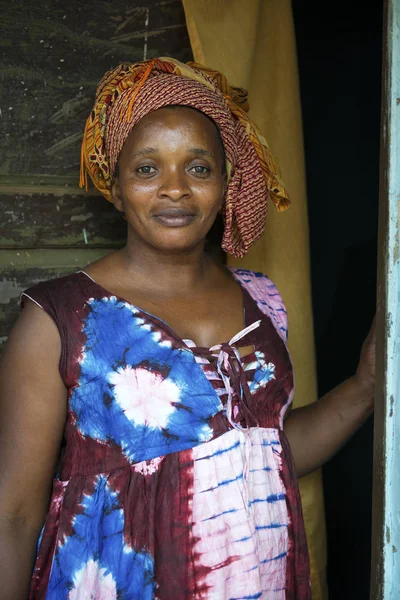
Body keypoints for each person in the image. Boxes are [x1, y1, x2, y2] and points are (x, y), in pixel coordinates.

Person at [0, 57, 375, 600]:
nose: (174, 189)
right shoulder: (61, 317)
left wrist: (365, 388)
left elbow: (263, 452)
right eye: (147, 169)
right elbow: (12, 514)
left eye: (198, 168)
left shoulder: (262, 301)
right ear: (116, 184)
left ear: (226, 182)